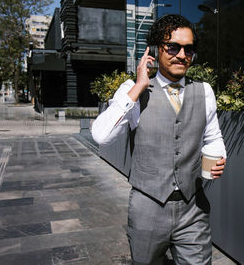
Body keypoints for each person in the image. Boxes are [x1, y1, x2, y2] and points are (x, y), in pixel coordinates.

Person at [92, 14, 226, 264]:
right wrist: (139, 86)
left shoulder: (204, 91)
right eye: (173, 47)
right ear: (155, 50)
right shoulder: (133, 92)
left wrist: (219, 156)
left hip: (193, 207)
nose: (182, 54)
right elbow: (101, 135)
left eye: (189, 49)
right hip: (147, 209)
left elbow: (213, 137)